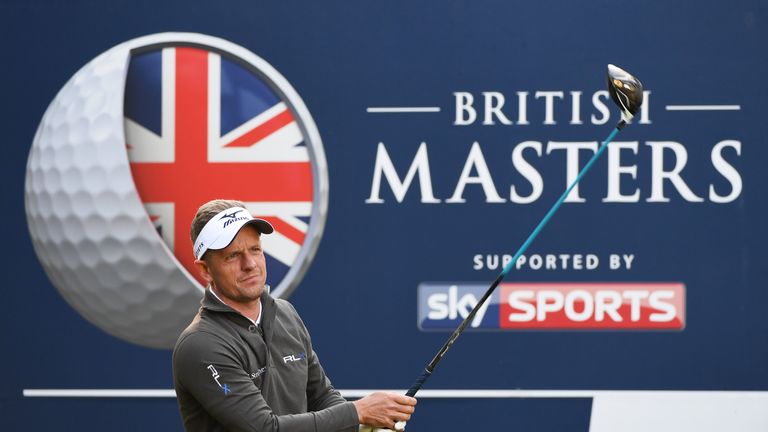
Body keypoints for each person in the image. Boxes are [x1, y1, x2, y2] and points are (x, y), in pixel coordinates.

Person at [173, 199, 416, 432]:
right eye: (233, 256)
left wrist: (362, 427)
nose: (250, 264)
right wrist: (358, 413)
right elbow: (264, 428)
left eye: (255, 249)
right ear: (205, 270)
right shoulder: (200, 344)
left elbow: (321, 397)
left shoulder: (285, 313)